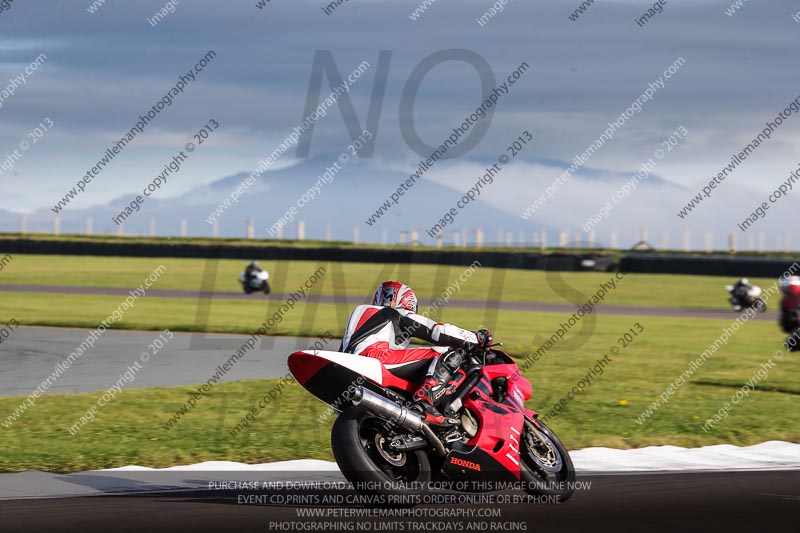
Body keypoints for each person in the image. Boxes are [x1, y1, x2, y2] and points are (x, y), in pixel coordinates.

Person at [340, 280, 491, 428]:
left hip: (347, 368)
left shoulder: (361, 312)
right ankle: (426, 401)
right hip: (376, 359)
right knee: (444, 351)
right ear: (406, 301)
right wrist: (476, 338)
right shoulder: (394, 312)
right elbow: (438, 331)